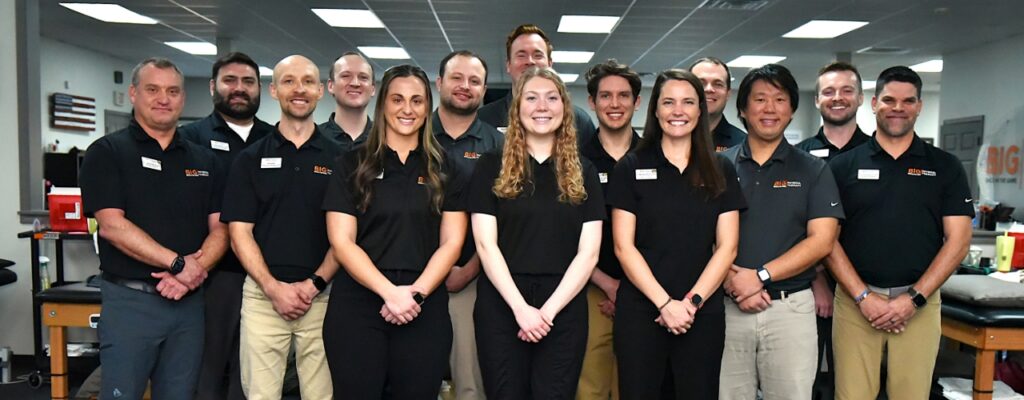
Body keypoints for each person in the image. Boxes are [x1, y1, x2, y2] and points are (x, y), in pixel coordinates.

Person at [80, 57, 228, 400]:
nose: (164, 98)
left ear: (183, 99)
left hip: (188, 306)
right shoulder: (108, 152)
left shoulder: (204, 160)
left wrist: (194, 270)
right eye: (153, 89)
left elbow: (221, 229)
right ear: (133, 94)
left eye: (173, 91)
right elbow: (112, 226)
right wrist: (178, 264)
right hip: (131, 302)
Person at [827, 66, 973, 400]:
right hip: (855, 303)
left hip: (919, 305)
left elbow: (959, 240)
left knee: (911, 395)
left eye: (908, 101)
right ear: (874, 103)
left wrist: (914, 298)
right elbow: (827, 240)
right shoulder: (841, 167)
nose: (898, 107)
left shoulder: (945, 166)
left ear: (919, 106)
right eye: (890, 100)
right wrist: (863, 297)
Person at [322, 64, 468, 399]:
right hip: (358, 305)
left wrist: (414, 294)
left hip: (424, 304)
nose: (407, 109)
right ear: (383, 104)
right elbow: (342, 242)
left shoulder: (447, 168)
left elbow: (452, 242)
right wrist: (389, 293)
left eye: (417, 101)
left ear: (427, 106)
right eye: (397, 99)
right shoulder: (351, 164)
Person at [606, 69, 743, 400]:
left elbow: (727, 247)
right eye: (668, 102)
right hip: (641, 311)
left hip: (701, 311)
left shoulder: (720, 168)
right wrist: (665, 303)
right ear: (655, 110)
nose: (678, 111)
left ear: (700, 110)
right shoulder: (630, 167)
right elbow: (624, 248)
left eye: (687, 102)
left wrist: (691, 303)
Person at [469, 66, 604, 399]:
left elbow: (588, 254)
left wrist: (547, 312)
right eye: (531, 98)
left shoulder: (584, 171)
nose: (542, 107)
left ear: (564, 107)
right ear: (517, 108)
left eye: (551, 97)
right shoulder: (491, 165)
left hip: (564, 305)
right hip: (502, 304)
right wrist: (520, 309)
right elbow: (486, 246)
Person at [718, 64, 843, 400]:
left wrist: (759, 276)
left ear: (791, 110)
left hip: (790, 310)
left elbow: (822, 240)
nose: (769, 108)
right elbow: (698, 233)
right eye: (759, 99)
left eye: (779, 99)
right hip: (727, 306)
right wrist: (732, 279)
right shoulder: (718, 167)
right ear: (743, 109)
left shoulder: (814, 169)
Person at [220, 55, 339, 400]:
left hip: (323, 298)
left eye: (306, 82)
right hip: (262, 298)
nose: (298, 89)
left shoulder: (342, 159)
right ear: (273, 90)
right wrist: (273, 288)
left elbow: (346, 236)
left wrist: (314, 284)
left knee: (323, 396)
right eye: (288, 81)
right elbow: (239, 232)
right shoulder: (250, 159)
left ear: (320, 90)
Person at [179, 51, 275, 400]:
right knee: (207, 366)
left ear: (260, 89)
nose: (239, 89)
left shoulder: (274, 138)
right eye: (230, 81)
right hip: (216, 275)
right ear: (212, 87)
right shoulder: (189, 139)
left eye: (248, 82)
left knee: (251, 372)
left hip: (267, 272)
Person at [794, 60, 872, 399]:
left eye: (846, 91)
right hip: (810, 287)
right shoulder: (799, 157)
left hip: (864, 291)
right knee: (804, 378)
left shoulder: (877, 154)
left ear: (860, 98)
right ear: (817, 99)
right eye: (828, 91)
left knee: (855, 382)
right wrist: (818, 281)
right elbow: (793, 227)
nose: (837, 98)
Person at [432, 50, 504, 400]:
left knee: (470, 384)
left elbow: (508, 219)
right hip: (408, 279)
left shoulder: (499, 146)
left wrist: (470, 269)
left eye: (474, 81)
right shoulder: (412, 134)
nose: (465, 86)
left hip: (472, 279)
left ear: (484, 88)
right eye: (456, 78)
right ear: (439, 82)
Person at [576, 58, 643, 400]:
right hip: (589, 290)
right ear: (592, 102)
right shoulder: (575, 161)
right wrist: (607, 284)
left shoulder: (656, 157)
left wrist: (630, 289)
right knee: (590, 389)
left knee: (636, 387)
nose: (614, 104)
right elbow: (566, 233)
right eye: (605, 96)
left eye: (623, 96)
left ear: (637, 102)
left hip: (648, 295)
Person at [477, 23, 597, 146]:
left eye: (538, 55)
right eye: (521, 55)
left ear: (550, 64)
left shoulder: (578, 120)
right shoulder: (483, 119)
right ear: (508, 65)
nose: (530, 61)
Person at [320, 51, 376, 151]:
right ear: (330, 86)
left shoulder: (388, 140)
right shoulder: (312, 139)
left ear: (373, 89)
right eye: (346, 76)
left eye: (363, 77)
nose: (355, 83)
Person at [689, 57, 746, 152]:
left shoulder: (743, 144)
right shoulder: (665, 139)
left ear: (728, 94)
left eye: (718, 84)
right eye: (701, 83)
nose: (709, 89)